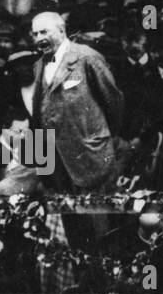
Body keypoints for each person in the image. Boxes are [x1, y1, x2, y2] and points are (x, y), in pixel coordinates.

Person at [30, 10, 123, 193]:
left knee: (97, 215)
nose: (39, 38)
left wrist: (99, 137)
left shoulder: (86, 57)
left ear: (61, 30)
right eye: (35, 34)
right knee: (67, 216)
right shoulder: (38, 65)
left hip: (90, 155)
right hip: (56, 162)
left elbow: (113, 100)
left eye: (44, 32)